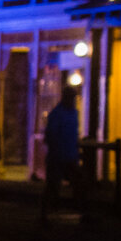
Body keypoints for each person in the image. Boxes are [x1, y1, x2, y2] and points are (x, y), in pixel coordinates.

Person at [41, 83, 86, 228]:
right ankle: (46, 213)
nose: (73, 101)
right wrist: (55, 148)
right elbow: (51, 134)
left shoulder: (74, 113)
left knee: (78, 183)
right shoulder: (57, 114)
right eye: (71, 98)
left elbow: (73, 133)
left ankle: (80, 210)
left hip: (70, 155)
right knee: (53, 185)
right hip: (58, 156)